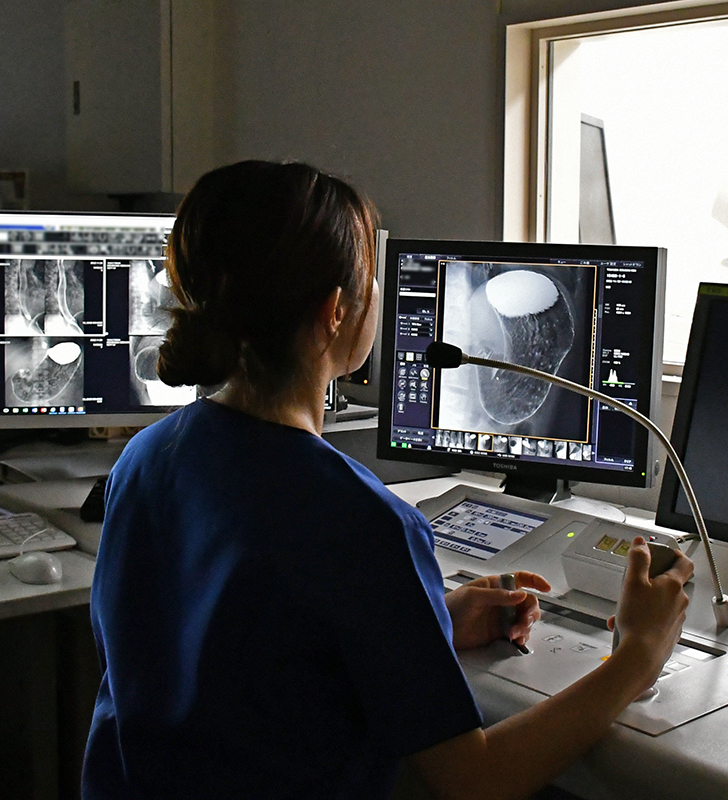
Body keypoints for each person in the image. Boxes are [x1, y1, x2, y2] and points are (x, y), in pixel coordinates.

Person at [82, 160, 694, 800]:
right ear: (337, 311)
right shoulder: (361, 522)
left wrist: (424, 628)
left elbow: (235, 667)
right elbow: (477, 780)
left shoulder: (145, 459)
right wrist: (636, 659)